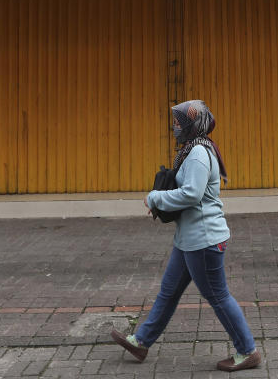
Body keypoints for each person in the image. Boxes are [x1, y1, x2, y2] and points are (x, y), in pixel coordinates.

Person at [111, 100, 261, 373]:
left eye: (179, 122)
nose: (175, 127)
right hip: (189, 239)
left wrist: (156, 197)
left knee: (218, 296)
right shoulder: (192, 149)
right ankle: (141, 342)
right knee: (168, 293)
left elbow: (192, 194)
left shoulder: (198, 154)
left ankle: (247, 350)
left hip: (203, 241)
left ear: (191, 125)